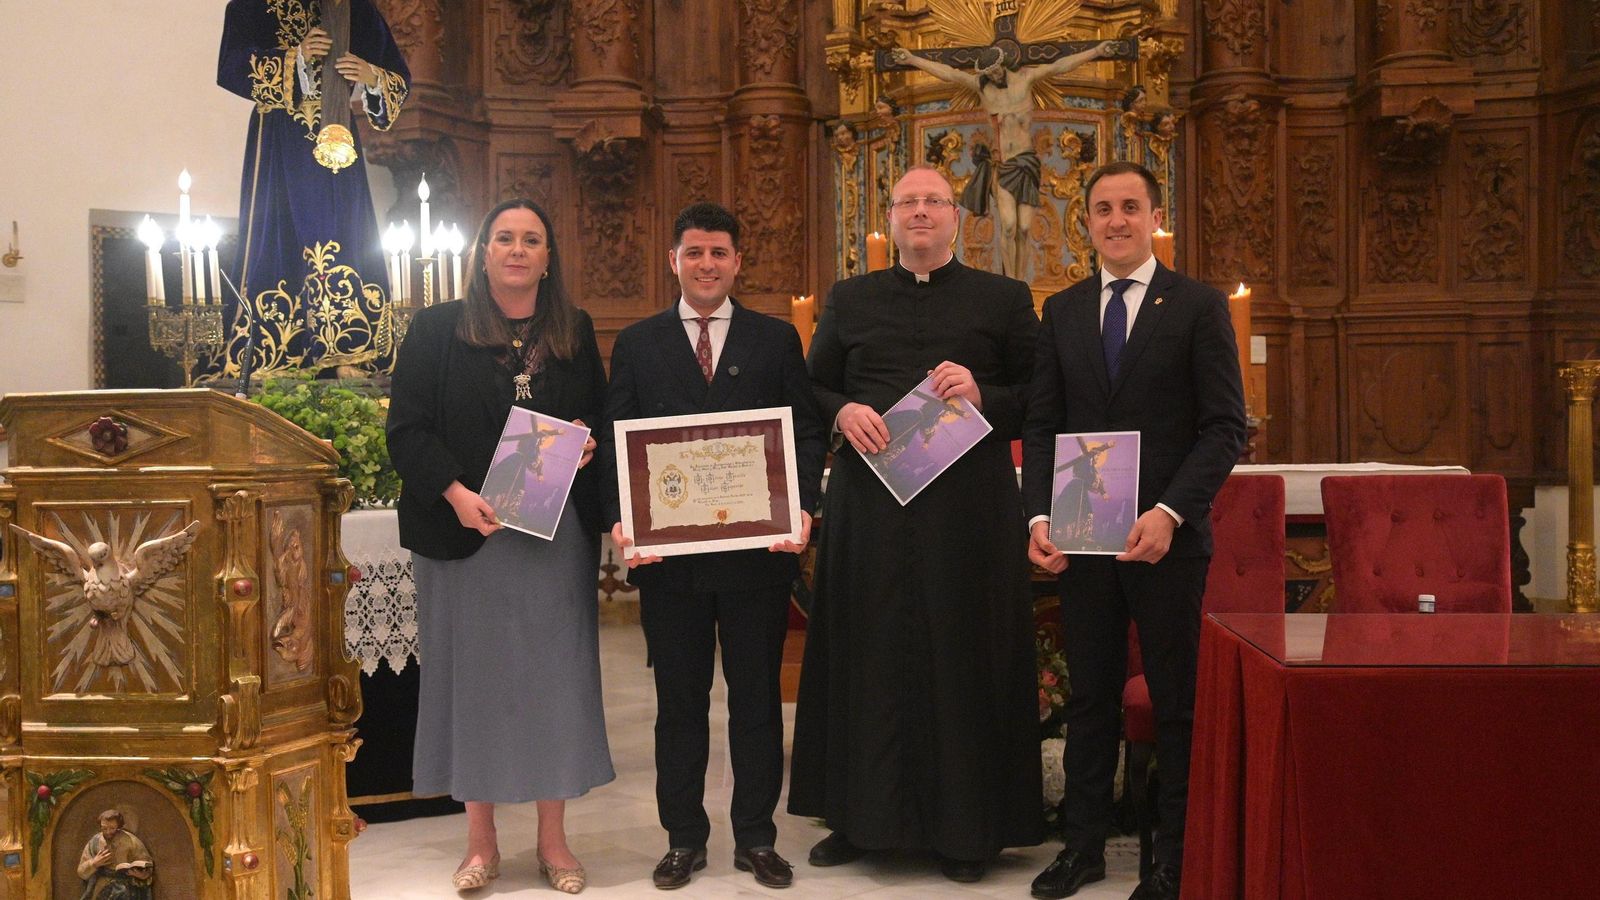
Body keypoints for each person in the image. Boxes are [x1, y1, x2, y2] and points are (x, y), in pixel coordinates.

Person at [787, 166, 1042, 883]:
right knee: (867, 652)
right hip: (872, 511)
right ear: (890, 218)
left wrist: (984, 391)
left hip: (970, 516)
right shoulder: (852, 298)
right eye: (908, 203)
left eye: (934, 201)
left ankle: (970, 831)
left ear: (956, 216)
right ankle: (858, 818)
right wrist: (842, 411)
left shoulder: (1003, 298)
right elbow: (811, 384)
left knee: (964, 657)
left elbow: (1040, 393)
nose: (921, 213)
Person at [1022, 162, 1246, 900]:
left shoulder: (1197, 306)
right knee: (1090, 697)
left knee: (1176, 701)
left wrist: (1170, 512)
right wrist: (1038, 518)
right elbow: (1044, 424)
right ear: (1085, 221)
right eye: (1102, 209)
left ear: (1154, 216)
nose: (1116, 220)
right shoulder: (1064, 310)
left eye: (1130, 207)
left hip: (1166, 541)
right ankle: (1083, 848)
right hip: (1085, 537)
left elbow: (1223, 429)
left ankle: (1173, 860)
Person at [386, 198, 613, 894]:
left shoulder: (573, 330)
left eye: (532, 240)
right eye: (505, 238)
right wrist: (456, 492)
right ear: (484, 252)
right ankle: (480, 841)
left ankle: (553, 839)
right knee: (473, 686)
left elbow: (599, 416)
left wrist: (586, 442)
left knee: (555, 682)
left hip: (551, 537)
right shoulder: (434, 329)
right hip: (465, 535)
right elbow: (408, 429)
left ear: (548, 259)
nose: (517, 250)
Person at [603, 202, 826, 891]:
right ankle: (683, 839)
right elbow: (618, 445)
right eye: (694, 252)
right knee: (680, 703)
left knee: (757, 699)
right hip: (671, 562)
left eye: (719, 253)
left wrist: (804, 510)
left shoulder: (776, 339)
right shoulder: (637, 345)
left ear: (737, 262)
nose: (706, 264)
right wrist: (622, 521)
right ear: (673, 260)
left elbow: (807, 433)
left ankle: (756, 837)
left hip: (757, 558)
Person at [217, 0, 410, 376]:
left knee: (342, 231)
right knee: (279, 230)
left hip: (338, 142)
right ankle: (274, 354)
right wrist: (295, 58)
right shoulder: (251, 6)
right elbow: (230, 66)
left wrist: (371, 76)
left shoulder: (358, 10)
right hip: (278, 141)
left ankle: (350, 349)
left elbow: (398, 80)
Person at [890, 41, 1115, 279]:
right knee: (1008, 226)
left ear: (1003, 65)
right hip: (1003, 165)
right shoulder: (983, 87)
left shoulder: (1025, 79)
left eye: (996, 70)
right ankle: (1012, 281)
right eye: (989, 73)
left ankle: (1021, 282)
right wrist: (912, 59)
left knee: (1025, 228)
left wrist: (1097, 52)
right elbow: (950, 74)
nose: (994, 76)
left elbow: (1059, 66)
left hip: (1026, 162)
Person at [77, 809, 153, 900]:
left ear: (119, 827)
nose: (108, 832)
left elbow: (148, 866)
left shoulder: (131, 841)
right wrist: (94, 863)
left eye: (112, 828)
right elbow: (81, 872)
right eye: (104, 828)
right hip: (102, 889)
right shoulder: (95, 842)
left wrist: (140, 874)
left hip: (127, 889)